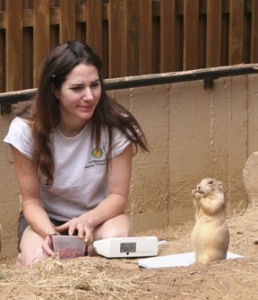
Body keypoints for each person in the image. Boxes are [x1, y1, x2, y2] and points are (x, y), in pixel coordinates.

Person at [3, 40, 148, 266]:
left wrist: (87, 222)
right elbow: (31, 201)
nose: (89, 96)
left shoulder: (117, 125)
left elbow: (118, 197)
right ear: (55, 89)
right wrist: (51, 234)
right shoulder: (25, 129)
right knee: (40, 262)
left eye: (95, 85)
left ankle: (86, 252)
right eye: (77, 88)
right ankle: (28, 257)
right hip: (46, 221)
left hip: (98, 219)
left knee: (117, 242)